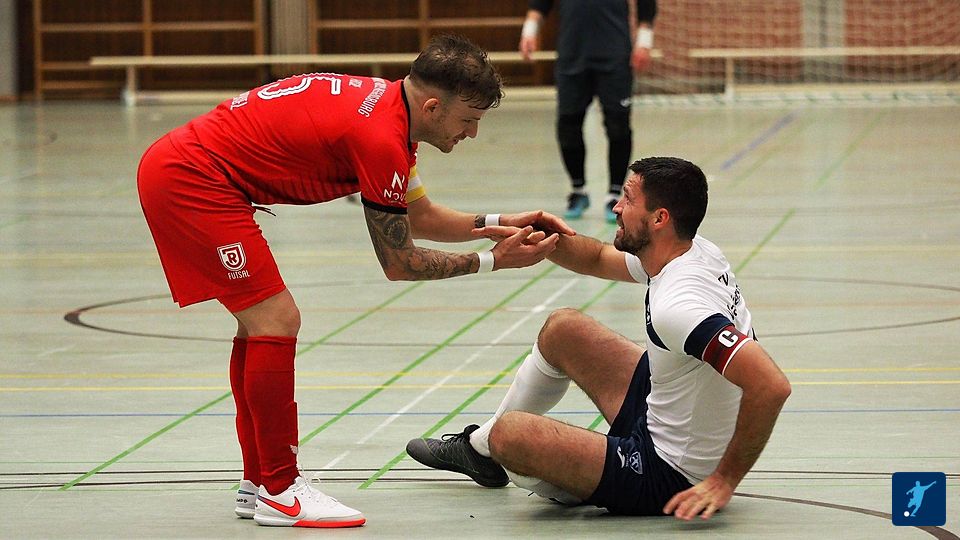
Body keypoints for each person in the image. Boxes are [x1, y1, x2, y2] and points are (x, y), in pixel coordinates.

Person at [137, 34, 575, 529]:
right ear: (432, 107)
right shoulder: (380, 136)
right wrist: (493, 260)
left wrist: (502, 221)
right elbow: (400, 261)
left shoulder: (390, 109)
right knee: (275, 320)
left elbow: (417, 215)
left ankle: (259, 482)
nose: (472, 134)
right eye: (468, 120)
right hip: (192, 180)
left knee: (258, 325)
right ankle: (281, 491)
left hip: (185, 169)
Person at [407, 157, 792, 519]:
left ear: (659, 218)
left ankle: (575, 480)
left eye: (628, 199)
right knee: (564, 329)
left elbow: (771, 385)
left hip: (669, 471)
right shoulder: (690, 251)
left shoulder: (679, 307)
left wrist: (724, 480)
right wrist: (537, 237)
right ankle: (482, 454)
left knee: (511, 436)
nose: (617, 208)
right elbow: (596, 258)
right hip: (666, 410)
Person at [519, 0, 658, 223]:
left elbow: (646, 5)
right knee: (568, 124)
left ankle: (614, 193)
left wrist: (644, 41)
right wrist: (529, 30)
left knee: (618, 126)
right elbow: (539, 4)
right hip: (572, 54)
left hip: (614, 56)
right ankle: (578, 190)